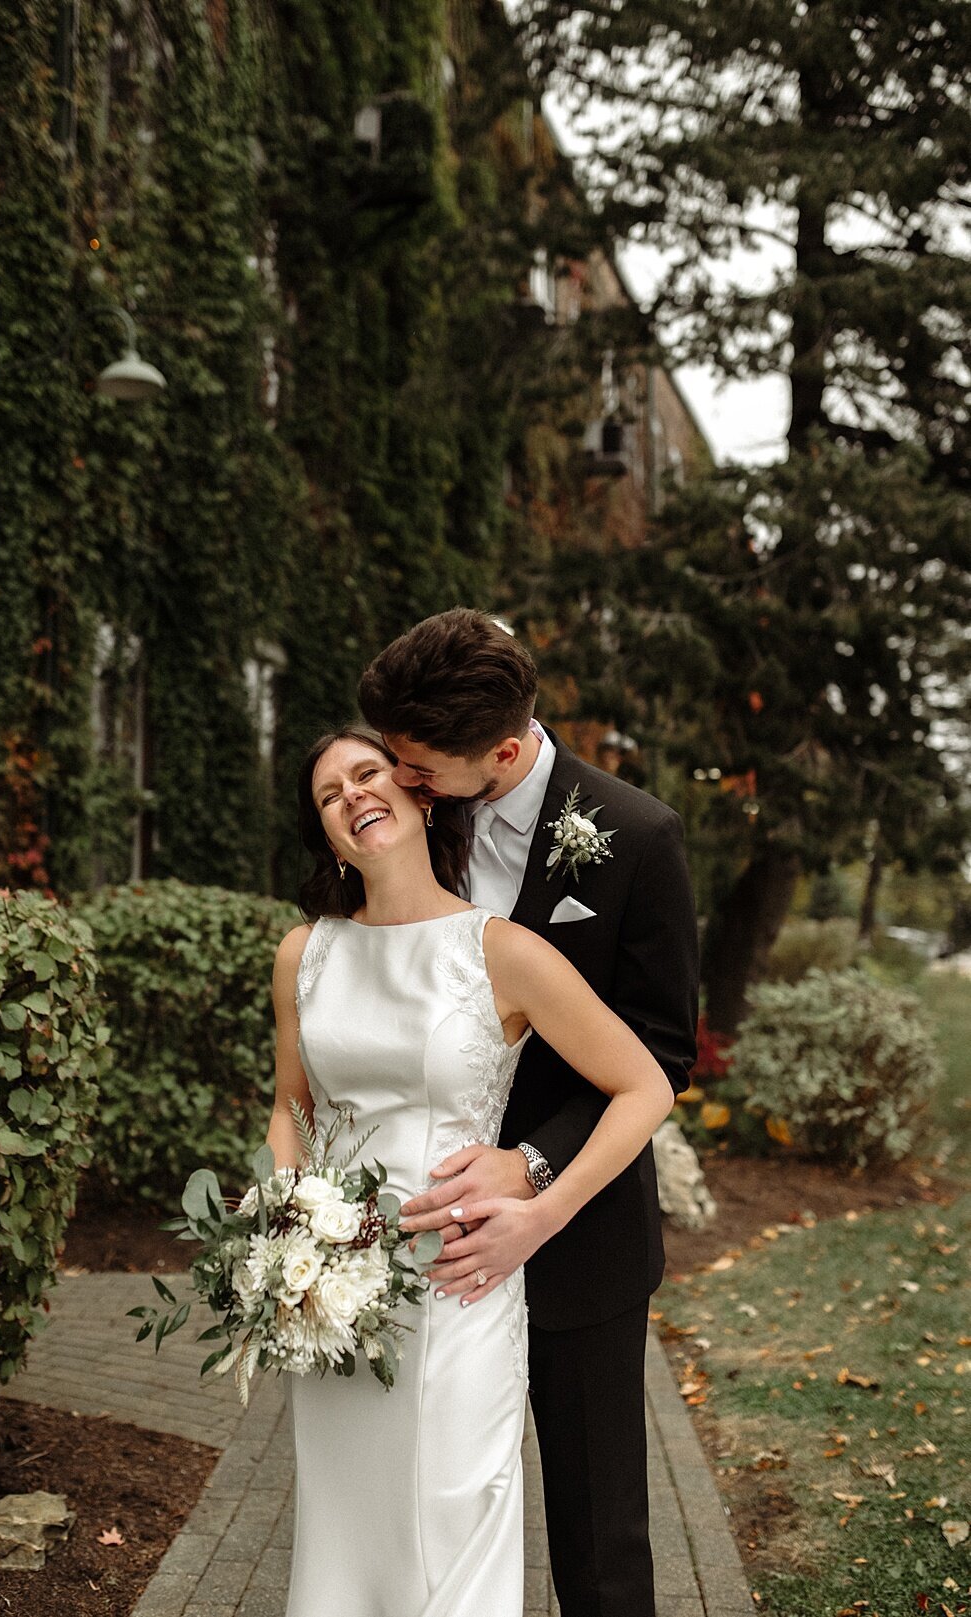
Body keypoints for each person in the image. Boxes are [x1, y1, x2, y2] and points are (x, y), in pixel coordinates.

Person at [268, 726, 675, 1617]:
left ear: (420, 793)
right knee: (347, 1536)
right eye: (329, 795)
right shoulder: (304, 954)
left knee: (451, 1529)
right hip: (335, 1298)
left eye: (368, 774)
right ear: (325, 831)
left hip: (458, 1291)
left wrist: (543, 1209)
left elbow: (645, 1084)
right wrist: (283, 1225)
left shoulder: (503, 951)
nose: (351, 798)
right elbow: (290, 1106)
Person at [357, 607, 699, 1617]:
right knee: (425, 1516)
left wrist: (534, 1164)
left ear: (502, 753)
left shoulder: (636, 838)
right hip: (421, 1231)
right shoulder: (403, 820)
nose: (396, 783)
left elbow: (661, 1055)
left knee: (597, 1543)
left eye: (417, 769)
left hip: (582, 1242)